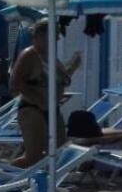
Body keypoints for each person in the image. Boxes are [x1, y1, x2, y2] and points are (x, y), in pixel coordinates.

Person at [12, 21, 82, 168]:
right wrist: (37, 99)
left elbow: (61, 80)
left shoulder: (51, 57)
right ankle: (8, 176)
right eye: (53, 36)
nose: (56, 40)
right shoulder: (29, 55)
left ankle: (45, 180)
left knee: (60, 152)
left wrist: (74, 66)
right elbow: (15, 83)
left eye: (56, 37)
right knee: (33, 157)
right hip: (33, 109)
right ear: (39, 35)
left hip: (52, 110)